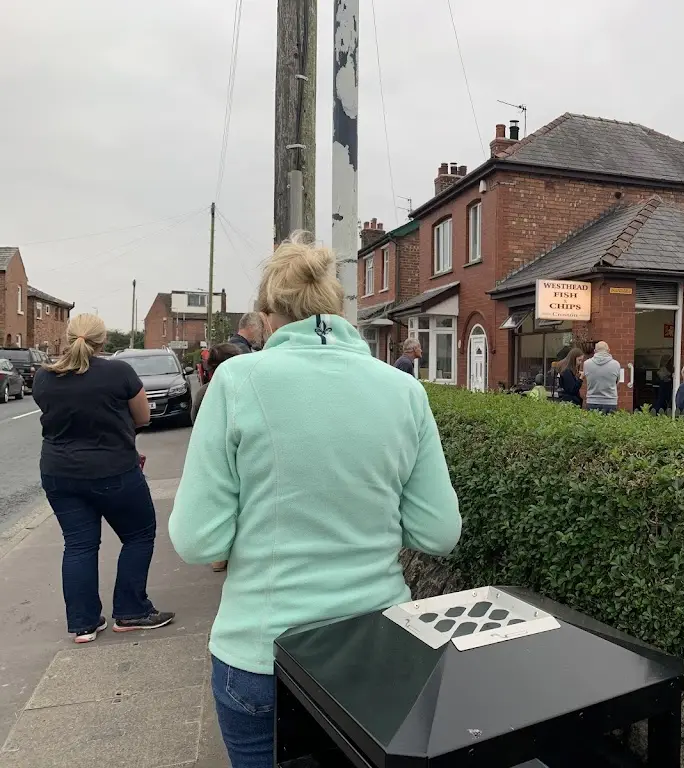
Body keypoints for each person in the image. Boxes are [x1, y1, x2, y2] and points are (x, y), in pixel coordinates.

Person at [169, 233, 462, 768]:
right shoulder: (404, 390)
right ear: (337, 307)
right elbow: (439, 532)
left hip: (262, 654)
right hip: (380, 644)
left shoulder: (237, 381)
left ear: (267, 316)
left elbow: (197, 539)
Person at [32, 314, 175, 644]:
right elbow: (143, 416)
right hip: (113, 470)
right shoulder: (119, 372)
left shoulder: (44, 377)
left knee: (79, 545)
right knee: (139, 535)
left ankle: (82, 624)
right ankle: (131, 611)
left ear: (68, 338)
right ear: (102, 339)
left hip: (59, 473)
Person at [191, 342, 243, 574]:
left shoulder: (205, 392)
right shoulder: (248, 388)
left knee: (220, 500)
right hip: (242, 452)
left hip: (214, 453)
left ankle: (219, 556)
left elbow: (195, 421)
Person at [582, 341, 622, 413]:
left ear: (594, 351)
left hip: (592, 401)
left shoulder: (586, 364)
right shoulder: (616, 364)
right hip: (610, 402)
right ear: (609, 351)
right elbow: (618, 383)